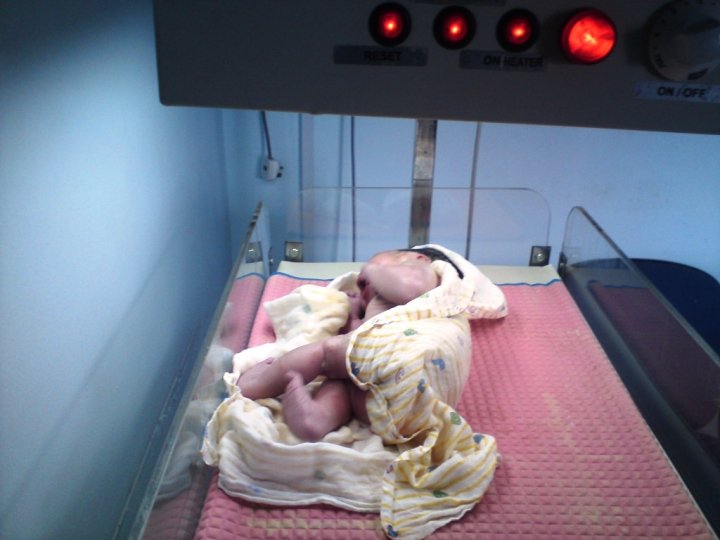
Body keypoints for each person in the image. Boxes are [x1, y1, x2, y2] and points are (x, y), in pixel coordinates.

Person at [237, 248, 448, 441]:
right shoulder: (382, 310)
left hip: (409, 364)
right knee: (344, 380)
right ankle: (318, 417)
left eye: (377, 261)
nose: (361, 279)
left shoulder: (428, 276)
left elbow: (411, 288)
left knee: (324, 353)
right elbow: (357, 344)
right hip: (396, 411)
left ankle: (258, 383)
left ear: (419, 257)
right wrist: (354, 315)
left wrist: (372, 268)